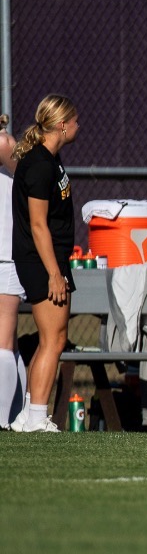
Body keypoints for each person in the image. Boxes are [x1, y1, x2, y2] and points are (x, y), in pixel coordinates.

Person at [9, 96, 78, 433]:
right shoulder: (38, 164)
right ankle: (37, 415)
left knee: (50, 338)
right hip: (42, 261)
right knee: (54, 339)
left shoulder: (51, 159)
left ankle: (27, 413)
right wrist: (54, 272)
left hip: (53, 258)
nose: (78, 126)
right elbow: (38, 225)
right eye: (74, 120)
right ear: (61, 124)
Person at [0, 118, 21, 428]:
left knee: (5, 341)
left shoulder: (5, 144)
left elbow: (22, 168)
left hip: (7, 255)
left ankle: (7, 418)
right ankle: (13, 417)